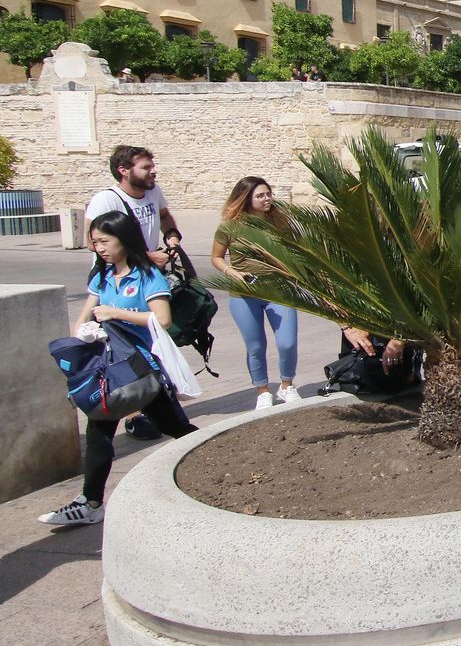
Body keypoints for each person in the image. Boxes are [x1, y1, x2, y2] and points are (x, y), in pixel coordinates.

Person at [39, 211, 198, 527]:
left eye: (105, 241)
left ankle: (217, 457)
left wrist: (116, 312)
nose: (99, 248)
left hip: (140, 369)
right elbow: (84, 317)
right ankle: (90, 501)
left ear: (123, 239)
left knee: (175, 427)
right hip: (110, 370)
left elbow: (162, 320)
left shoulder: (146, 276)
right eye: (95, 242)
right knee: (98, 429)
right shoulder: (102, 276)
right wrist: (83, 334)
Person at [211, 177, 300, 411]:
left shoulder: (280, 223)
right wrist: (232, 273)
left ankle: (287, 385)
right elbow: (217, 257)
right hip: (244, 294)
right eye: (260, 195)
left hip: (279, 292)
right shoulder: (230, 226)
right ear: (246, 198)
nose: (267, 198)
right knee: (256, 346)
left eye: (268, 193)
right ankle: (262, 390)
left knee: (287, 342)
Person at [84, 145, 183, 270]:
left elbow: (164, 216)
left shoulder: (153, 191)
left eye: (153, 166)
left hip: (147, 273)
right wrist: (148, 257)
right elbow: (92, 244)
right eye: (146, 168)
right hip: (117, 278)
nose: (153, 171)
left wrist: (172, 236)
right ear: (123, 170)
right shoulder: (105, 200)